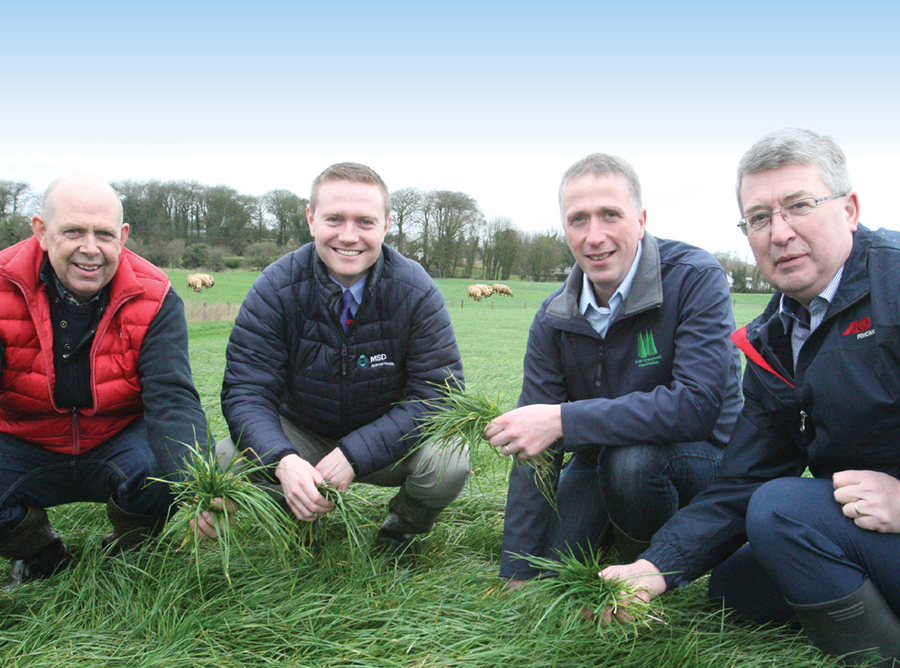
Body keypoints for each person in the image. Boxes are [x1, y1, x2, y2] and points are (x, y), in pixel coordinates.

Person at [601, 129, 900, 666]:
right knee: (738, 585)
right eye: (759, 218)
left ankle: (880, 653)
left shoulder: (896, 283)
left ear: (850, 209)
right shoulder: (773, 338)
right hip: (868, 520)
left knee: (783, 510)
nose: (779, 233)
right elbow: (745, 478)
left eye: (799, 206)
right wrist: (655, 567)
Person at [486, 153, 743, 586]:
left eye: (610, 215)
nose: (594, 236)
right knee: (554, 570)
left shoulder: (695, 277)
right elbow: (535, 446)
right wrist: (517, 569)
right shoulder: (553, 316)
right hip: (598, 460)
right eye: (578, 220)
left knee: (632, 463)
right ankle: (622, 529)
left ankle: (648, 562)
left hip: (702, 457)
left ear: (640, 220)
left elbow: (697, 406)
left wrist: (563, 419)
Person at [217, 162, 467, 558]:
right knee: (227, 457)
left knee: (449, 460)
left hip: (387, 441)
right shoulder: (275, 287)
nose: (348, 237)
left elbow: (437, 394)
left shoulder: (415, 289)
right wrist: (282, 459)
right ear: (311, 219)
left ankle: (402, 528)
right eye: (334, 219)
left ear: (386, 225)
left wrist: (356, 453)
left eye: (365, 222)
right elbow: (246, 391)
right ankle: (297, 520)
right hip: (303, 433)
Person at [0, 174, 209, 589]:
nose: (90, 249)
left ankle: (127, 548)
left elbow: (172, 397)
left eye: (104, 234)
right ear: (41, 231)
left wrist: (200, 489)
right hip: (25, 440)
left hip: (115, 439)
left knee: (167, 470)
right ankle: (40, 553)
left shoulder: (156, 296)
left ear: (123, 236)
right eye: (73, 231)